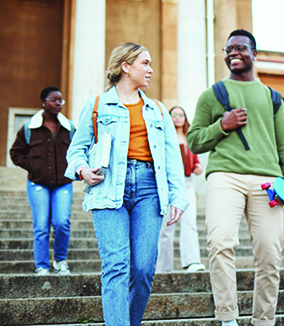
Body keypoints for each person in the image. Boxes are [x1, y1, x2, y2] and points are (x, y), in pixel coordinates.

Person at [65, 42, 188, 326]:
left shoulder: (157, 110)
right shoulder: (96, 105)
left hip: (149, 189)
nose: (151, 69)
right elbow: (76, 150)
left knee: (143, 269)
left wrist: (178, 196)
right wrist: (82, 170)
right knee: (116, 267)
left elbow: (171, 158)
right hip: (108, 188)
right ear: (126, 66)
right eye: (145, 63)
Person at [186, 29, 284, 326]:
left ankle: (264, 321)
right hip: (225, 176)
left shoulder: (272, 97)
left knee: (269, 255)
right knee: (220, 242)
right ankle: (227, 318)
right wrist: (222, 126)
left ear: (254, 53)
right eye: (228, 50)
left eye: (240, 48)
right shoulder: (212, 95)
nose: (233, 53)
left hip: (268, 183)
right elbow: (195, 141)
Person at [10, 86, 75, 276]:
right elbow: (15, 152)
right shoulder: (30, 128)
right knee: (41, 225)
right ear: (43, 102)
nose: (58, 103)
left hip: (63, 183)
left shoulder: (69, 127)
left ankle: (60, 261)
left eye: (60, 100)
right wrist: (32, 166)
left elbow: (80, 148)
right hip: (37, 183)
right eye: (54, 100)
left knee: (62, 222)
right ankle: (42, 266)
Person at [156, 106, 206, 272]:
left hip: (187, 182)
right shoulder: (163, 137)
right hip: (168, 184)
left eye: (181, 115)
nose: (178, 118)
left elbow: (195, 159)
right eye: (174, 115)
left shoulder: (189, 137)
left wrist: (198, 166)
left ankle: (192, 261)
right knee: (166, 227)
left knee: (189, 222)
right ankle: (163, 266)